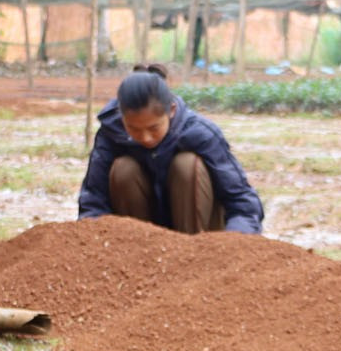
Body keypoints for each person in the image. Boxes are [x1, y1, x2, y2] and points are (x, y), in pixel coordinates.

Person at [76, 66, 265, 233]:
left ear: (172, 111)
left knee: (187, 165)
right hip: (139, 236)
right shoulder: (111, 134)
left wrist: (234, 240)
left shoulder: (200, 133)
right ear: (121, 116)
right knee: (124, 168)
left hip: (199, 232)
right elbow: (94, 198)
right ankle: (137, 253)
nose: (145, 138)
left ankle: (189, 257)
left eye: (154, 128)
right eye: (133, 129)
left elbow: (241, 200)